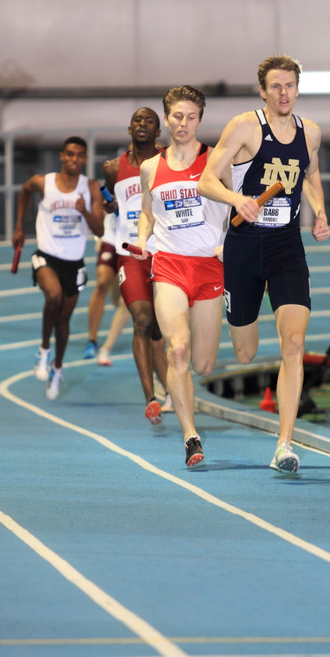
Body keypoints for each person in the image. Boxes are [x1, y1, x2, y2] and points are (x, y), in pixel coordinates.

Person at [197, 54, 330, 474]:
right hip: (243, 244)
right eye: (275, 86)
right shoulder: (245, 127)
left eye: (289, 85)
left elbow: (310, 175)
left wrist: (320, 212)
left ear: (297, 88)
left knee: (294, 343)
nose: (284, 93)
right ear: (263, 91)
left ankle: (285, 445)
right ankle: (234, 320)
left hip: (286, 245)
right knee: (245, 352)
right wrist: (238, 200)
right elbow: (206, 179)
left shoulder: (311, 133)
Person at [136, 86, 228, 466]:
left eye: (191, 117)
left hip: (209, 266)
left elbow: (238, 204)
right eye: (177, 116)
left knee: (203, 364)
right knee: (178, 349)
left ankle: (186, 394)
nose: (184, 123)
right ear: (167, 118)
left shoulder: (217, 161)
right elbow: (147, 212)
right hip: (169, 264)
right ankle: (191, 435)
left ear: (200, 120)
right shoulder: (150, 168)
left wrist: (228, 241)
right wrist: (142, 240)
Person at [12, 136, 104, 400]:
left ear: (85, 159)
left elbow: (99, 229)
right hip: (46, 256)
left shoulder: (91, 188)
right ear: (62, 156)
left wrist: (85, 212)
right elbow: (25, 191)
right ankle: (43, 351)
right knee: (52, 296)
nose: (74, 159)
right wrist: (19, 226)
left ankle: (58, 368)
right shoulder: (44, 182)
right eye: (70, 154)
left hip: (73, 263)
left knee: (63, 321)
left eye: (80, 155)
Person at [102, 106, 172, 425]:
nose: (142, 124)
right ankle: (150, 398)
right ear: (129, 129)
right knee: (142, 320)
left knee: (162, 328)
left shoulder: (169, 160)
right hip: (130, 253)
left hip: (167, 253)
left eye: (149, 121)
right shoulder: (112, 167)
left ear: (158, 132)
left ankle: (170, 387)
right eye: (137, 120)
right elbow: (111, 207)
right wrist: (111, 207)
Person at [82, 211, 120, 359]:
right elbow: (101, 206)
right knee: (102, 283)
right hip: (111, 238)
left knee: (125, 303)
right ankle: (92, 340)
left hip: (135, 238)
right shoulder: (107, 187)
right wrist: (100, 235)